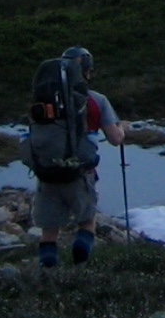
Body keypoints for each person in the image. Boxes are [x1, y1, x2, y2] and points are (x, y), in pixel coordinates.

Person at [25, 46, 125, 272]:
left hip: (46, 173)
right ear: (86, 71)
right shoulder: (96, 100)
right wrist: (122, 128)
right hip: (80, 173)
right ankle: (80, 271)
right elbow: (115, 138)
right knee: (87, 222)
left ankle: (48, 275)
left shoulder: (43, 101)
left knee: (49, 231)